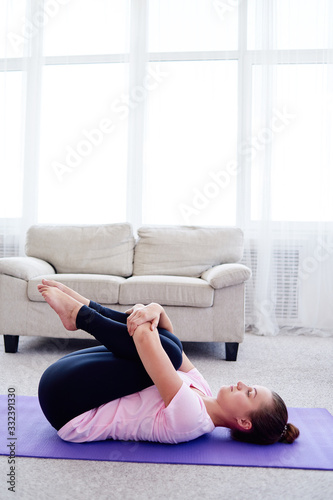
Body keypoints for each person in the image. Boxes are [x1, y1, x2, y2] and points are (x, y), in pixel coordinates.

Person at [37, 280, 300, 446]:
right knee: (171, 349)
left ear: (244, 422)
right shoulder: (203, 391)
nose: (242, 383)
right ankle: (85, 308)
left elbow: (144, 337)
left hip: (67, 405)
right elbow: (168, 336)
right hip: (70, 379)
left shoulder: (192, 419)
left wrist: (149, 310)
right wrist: (155, 309)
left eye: (249, 393)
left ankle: (80, 315)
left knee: (167, 354)